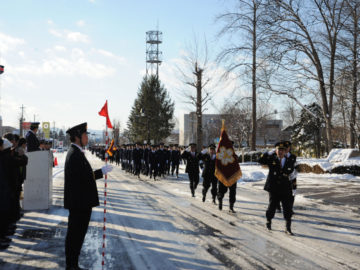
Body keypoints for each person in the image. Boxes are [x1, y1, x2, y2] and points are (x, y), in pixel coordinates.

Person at [64, 122, 112, 270]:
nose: (87, 138)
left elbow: (84, 175)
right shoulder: (75, 154)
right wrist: (100, 172)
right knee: (75, 236)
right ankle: (71, 266)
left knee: (76, 236)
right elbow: (83, 178)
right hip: (79, 204)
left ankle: (73, 264)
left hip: (80, 203)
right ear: (78, 137)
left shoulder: (77, 152)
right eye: (85, 135)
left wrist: (99, 172)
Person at [258, 141, 296, 235]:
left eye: (282, 150)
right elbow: (260, 161)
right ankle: (268, 221)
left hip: (285, 187)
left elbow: (292, 173)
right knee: (272, 206)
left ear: (285, 151)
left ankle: (288, 227)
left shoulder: (290, 159)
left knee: (287, 208)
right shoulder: (271, 158)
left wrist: (294, 187)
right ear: (275, 151)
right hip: (273, 187)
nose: (280, 152)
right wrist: (267, 153)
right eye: (279, 150)